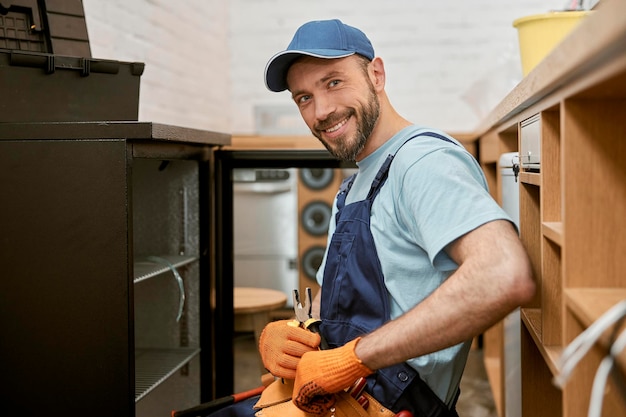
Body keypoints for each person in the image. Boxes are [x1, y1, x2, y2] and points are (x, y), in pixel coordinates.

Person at [212, 19, 535, 417]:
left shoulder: (423, 163)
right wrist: (296, 334)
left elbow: (504, 273)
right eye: (303, 98)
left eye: (333, 82)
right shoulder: (355, 185)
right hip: (335, 401)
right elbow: (358, 315)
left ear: (376, 75)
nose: (322, 111)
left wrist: (354, 359)